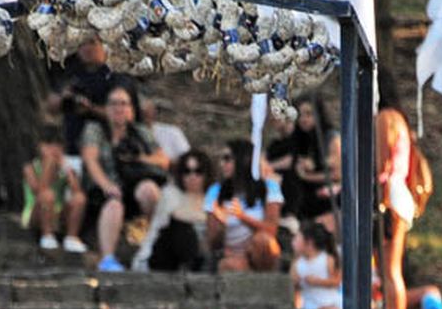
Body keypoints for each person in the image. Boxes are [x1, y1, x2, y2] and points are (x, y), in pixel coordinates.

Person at [81, 81, 169, 273]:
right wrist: (107, 185)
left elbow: (163, 160)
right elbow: (91, 160)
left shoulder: (141, 131)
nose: (119, 109)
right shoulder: (95, 129)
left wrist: (139, 157)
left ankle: (154, 246)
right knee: (114, 204)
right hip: (104, 189)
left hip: (134, 185)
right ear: (105, 107)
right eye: (113, 104)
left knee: (150, 191)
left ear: (132, 108)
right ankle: (108, 259)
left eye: (124, 104)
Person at [205, 140, 283, 273]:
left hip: (260, 255)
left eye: (228, 159)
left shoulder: (269, 187)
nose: (222, 164)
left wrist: (242, 216)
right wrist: (222, 223)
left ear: (244, 160)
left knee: (263, 240)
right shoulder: (215, 192)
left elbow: (271, 231)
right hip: (232, 254)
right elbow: (213, 244)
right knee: (230, 265)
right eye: (222, 159)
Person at [267, 96, 341, 231]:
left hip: (326, 193)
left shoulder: (330, 138)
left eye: (309, 114)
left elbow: (337, 174)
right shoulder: (300, 139)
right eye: (300, 115)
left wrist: (308, 176)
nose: (304, 119)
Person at [375, 101, 415, 309]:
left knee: (390, 271)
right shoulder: (399, 118)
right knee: (389, 271)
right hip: (398, 195)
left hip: (389, 197)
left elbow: (381, 162)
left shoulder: (385, 118)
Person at [133, 149, 212, 272]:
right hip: (158, 257)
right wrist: (211, 216)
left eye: (198, 171)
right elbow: (176, 214)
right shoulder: (170, 193)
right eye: (187, 171)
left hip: (196, 256)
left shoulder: (211, 197)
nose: (192, 176)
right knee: (181, 229)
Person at [22, 123, 87, 254]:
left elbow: (77, 193)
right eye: (49, 145)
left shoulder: (65, 167)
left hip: (58, 214)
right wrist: (49, 166)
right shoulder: (30, 168)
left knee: (79, 198)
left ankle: (71, 237)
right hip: (36, 212)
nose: (53, 149)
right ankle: (47, 235)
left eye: (57, 145)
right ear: (40, 146)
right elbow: (39, 192)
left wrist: (68, 171)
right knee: (48, 195)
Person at [58, 38, 116, 157]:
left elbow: (122, 114)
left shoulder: (113, 75)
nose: (87, 48)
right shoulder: (73, 72)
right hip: (73, 145)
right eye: (82, 44)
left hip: (104, 148)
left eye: (92, 42)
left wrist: (91, 108)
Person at [290, 221, 342, 309]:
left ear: (309, 242)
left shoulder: (327, 259)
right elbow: (295, 287)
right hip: (313, 304)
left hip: (331, 300)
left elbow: (337, 281)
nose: (293, 242)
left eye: (297, 239)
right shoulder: (297, 264)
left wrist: (318, 282)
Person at [141, 98, 191, 163]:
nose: (145, 114)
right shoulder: (127, 134)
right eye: (142, 111)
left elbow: (187, 160)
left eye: (149, 110)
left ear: (155, 111)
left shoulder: (172, 132)